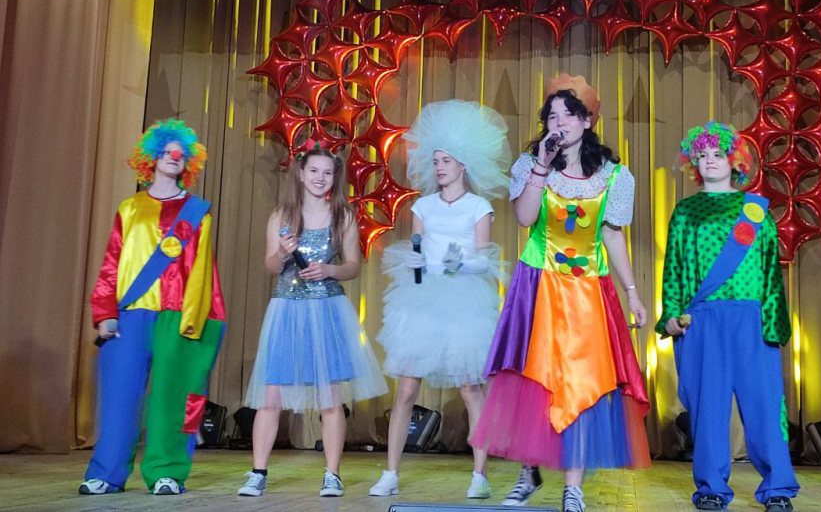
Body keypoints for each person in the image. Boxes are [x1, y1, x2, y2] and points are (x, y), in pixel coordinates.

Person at [471, 74, 650, 512]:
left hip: (588, 291)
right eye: (552, 116)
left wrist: (632, 293)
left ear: (587, 121)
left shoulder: (613, 175)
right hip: (537, 285)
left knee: (583, 382)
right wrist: (541, 166)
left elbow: (613, 237)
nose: (560, 122)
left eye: (569, 114)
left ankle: (573, 486)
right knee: (534, 378)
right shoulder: (532, 163)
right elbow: (525, 218)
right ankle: (528, 472)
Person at [369, 100, 510, 500]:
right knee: (406, 388)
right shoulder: (423, 205)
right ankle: (390, 473)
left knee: (470, 389)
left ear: (463, 164)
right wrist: (414, 262)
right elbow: (417, 246)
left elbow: (484, 259)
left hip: (464, 299)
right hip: (424, 298)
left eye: (446, 160)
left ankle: (480, 475)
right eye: (436, 161)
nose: (440, 167)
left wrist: (459, 263)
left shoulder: (478, 207)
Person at [655, 121, 798, 512]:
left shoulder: (755, 211)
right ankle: (711, 487)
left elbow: (770, 271)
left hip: (752, 318)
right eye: (702, 155)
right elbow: (674, 267)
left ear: (735, 160)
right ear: (693, 163)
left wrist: (773, 322)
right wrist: (672, 312)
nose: (709, 161)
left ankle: (778, 488)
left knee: (765, 406)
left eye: (718, 154)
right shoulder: (686, 211)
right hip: (703, 321)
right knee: (709, 409)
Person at [80, 119, 226, 496]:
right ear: (152, 158)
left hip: (178, 317)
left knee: (173, 399)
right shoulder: (130, 208)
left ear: (188, 162)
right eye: (166, 151)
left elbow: (203, 272)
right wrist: (104, 312)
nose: (173, 157)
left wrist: (198, 321)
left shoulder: (198, 212)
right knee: (118, 398)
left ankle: (168, 472)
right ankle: (106, 473)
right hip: (130, 316)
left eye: (180, 153)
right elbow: (111, 264)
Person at [237, 142, 387, 498]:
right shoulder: (282, 216)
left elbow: (353, 266)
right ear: (301, 175)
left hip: (326, 310)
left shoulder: (342, 216)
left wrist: (329, 270)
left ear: (335, 177)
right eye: (314, 171)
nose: (320, 178)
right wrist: (282, 253)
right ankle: (258, 472)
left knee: (330, 398)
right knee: (271, 396)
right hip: (286, 309)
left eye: (328, 172)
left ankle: (332, 474)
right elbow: (270, 265)